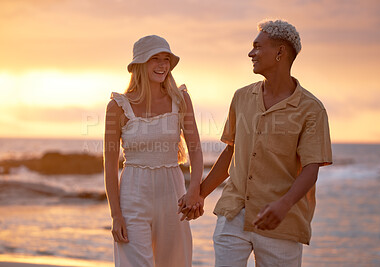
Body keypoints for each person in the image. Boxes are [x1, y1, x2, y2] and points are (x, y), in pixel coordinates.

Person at [179, 19, 333, 266]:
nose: (251, 53)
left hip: (281, 222)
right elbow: (231, 152)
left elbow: (311, 168)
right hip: (233, 213)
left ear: (280, 52)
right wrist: (200, 194)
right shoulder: (241, 97)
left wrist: (284, 206)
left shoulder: (311, 110)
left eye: (257, 47)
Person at [104, 35, 203, 267]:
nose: (162, 65)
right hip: (133, 196)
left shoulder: (180, 100)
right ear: (140, 64)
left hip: (173, 195)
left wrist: (194, 190)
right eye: (154, 59)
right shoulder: (117, 107)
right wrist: (116, 214)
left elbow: (196, 150)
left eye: (166, 59)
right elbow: (109, 166)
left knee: (174, 263)